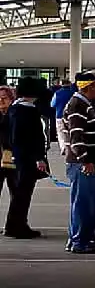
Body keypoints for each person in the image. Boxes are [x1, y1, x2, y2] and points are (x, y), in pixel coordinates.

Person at [63, 71, 95, 254]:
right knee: (82, 203)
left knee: (89, 203)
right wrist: (85, 160)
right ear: (88, 87)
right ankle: (78, 242)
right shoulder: (77, 105)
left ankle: (87, 236)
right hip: (83, 164)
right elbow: (76, 136)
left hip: (92, 162)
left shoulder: (86, 104)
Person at [6, 77, 49, 239]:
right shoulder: (26, 110)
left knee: (19, 194)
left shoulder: (15, 108)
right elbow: (29, 138)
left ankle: (14, 225)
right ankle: (18, 226)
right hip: (26, 160)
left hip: (19, 157)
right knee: (22, 194)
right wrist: (38, 158)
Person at [0, 86, 17, 229]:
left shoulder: (15, 114)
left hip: (13, 159)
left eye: (4, 97)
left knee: (16, 194)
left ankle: (12, 225)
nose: (1, 100)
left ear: (11, 99)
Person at [51, 79, 76, 155]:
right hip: (71, 115)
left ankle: (64, 148)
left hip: (59, 115)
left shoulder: (57, 93)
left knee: (61, 132)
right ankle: (72, 147)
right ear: (69, 84)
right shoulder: (73, 93)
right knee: (71, 131)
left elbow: (52, 104)